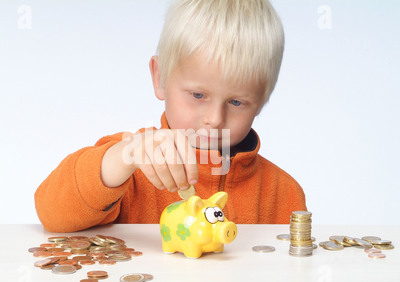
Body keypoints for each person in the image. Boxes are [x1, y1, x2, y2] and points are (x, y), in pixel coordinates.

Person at [35, 0, 307, 232]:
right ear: (160, 78)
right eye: (198, 95)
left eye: (237, 102)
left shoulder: (284, 195)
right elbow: (50, 213)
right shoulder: (129, 163)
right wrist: (122, 158)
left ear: (262, 101)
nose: (214, 119)